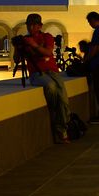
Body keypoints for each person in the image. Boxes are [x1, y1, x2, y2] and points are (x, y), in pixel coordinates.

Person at [14, 13, 71, 144]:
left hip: (53, 72)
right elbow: (16, 60)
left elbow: (48, 52)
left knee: (63, 98)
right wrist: (17, 48)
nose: (31, 27)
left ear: (40, 26)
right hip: (36, 74)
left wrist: (33, 45)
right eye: (29, 25)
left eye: (34, 24)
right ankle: (59, 124)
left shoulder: (47, 37)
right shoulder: (24, 40)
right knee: (51, 86)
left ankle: (63, 125)